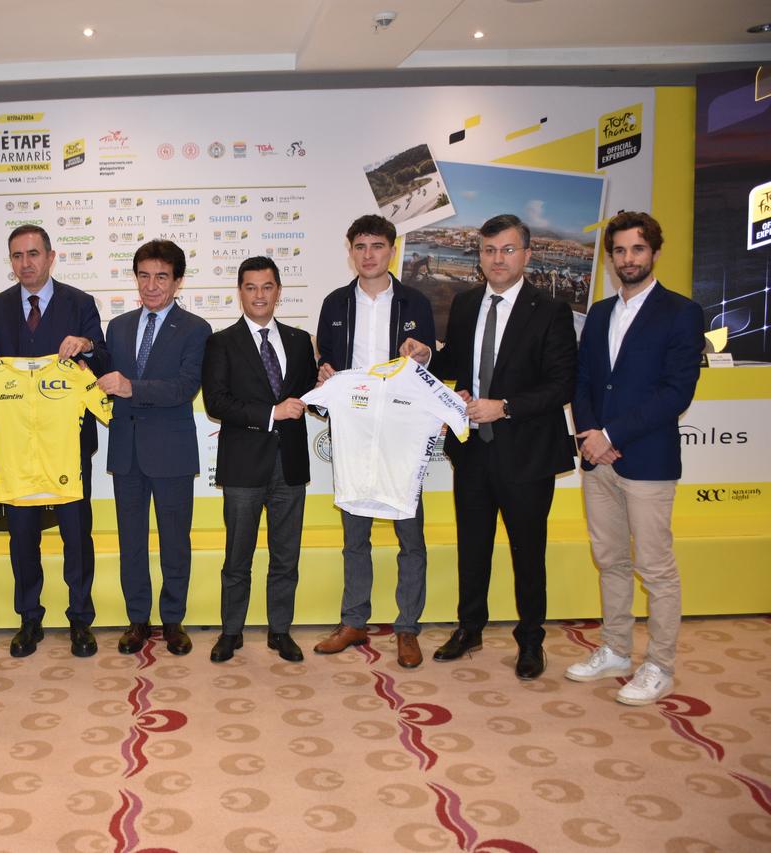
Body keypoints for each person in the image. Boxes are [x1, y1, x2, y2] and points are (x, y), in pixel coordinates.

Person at [404, 214, 577, 680]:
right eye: (488, 251)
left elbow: (562, 383)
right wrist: (429, 359)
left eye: (506, 250)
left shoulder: (551, 310)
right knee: (473, 546)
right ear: (478, 255)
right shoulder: (464, 304)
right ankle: (469, 628)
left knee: (527, 552)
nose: (496, 259)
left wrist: (505, 406)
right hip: (474, 451)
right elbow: (459, 363)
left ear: (526, 254)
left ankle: (531, 640)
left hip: (527, 453)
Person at [565, 211, 703, 704]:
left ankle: (660, 665)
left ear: (654, 253)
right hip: (597, 458)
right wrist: (589, 434)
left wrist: (611, 433)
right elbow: (583, 380)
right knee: (610, 560)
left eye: (637, 249)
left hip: (646, 460)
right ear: (611, 257)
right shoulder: (600, 313)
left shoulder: (681, 312)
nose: (628, 259)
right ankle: (616, 650)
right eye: (620, 251)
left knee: (655, 568)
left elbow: (676, 392)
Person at [0, 225, 110, 658]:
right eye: (17, 256)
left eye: (33, 253)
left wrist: (85, 344)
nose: (25, 263)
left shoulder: (79, 302)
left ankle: (80, 620)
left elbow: (103, 356)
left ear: (51, 257)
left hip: (67, 443)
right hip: (17, 448)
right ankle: (29, 619)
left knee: (76, 535)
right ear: (10, 261)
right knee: (22, 538)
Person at [312, 215, 437, 668]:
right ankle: (353, 621)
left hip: (402, 432)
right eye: (360, 246)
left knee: (410, 534)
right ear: (350, 249)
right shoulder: (334, 303)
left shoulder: (415, 301)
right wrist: (323, 372)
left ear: (392, 250)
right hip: (354, 429)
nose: (369, 254)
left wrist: (425, 354)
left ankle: (407, 629)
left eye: (378, 246)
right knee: (355, 534)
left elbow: (430, 364)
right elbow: (324, 359)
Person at [97, 240, 210, 656]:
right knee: (132, 541)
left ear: (178, 281)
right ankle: (137, 620)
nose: (151, 285)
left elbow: (185, 387)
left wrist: (132, 387)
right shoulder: (119, 326)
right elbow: (102, 378)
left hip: (172, 451)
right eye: (144, 275)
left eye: (161, 276)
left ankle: (174, 620)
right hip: (126, 451)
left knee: (175, 541)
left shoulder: (197, 329)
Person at [202, 256, 316, 663]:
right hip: (243, 467)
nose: (259, 295)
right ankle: (230, 631)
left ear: (279, 291)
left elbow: (307, 398)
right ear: (240, 293)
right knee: (238, 557)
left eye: (267, 287)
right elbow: (217, 403)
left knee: (286, 556)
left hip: (291, 465)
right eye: (250, 288)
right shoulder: (221, 342)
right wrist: (271, 414)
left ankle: (280, 631)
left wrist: (327, 389)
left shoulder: (301, 341)